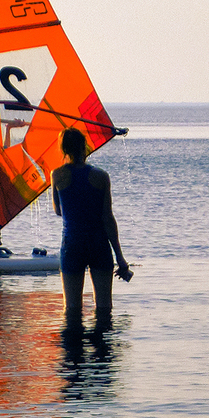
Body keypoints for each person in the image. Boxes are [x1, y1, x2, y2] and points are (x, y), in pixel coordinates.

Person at [51, 127, 131, 331]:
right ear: (85, 147)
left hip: (72, 245)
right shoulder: (101, 176)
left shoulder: (57, 175)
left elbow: (59, 210)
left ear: (63, 150)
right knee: (104, 309)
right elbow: (108, 218)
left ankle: (75, 360)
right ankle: (102, 359)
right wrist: (120, 257)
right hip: (98, 244)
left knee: (72, 310)